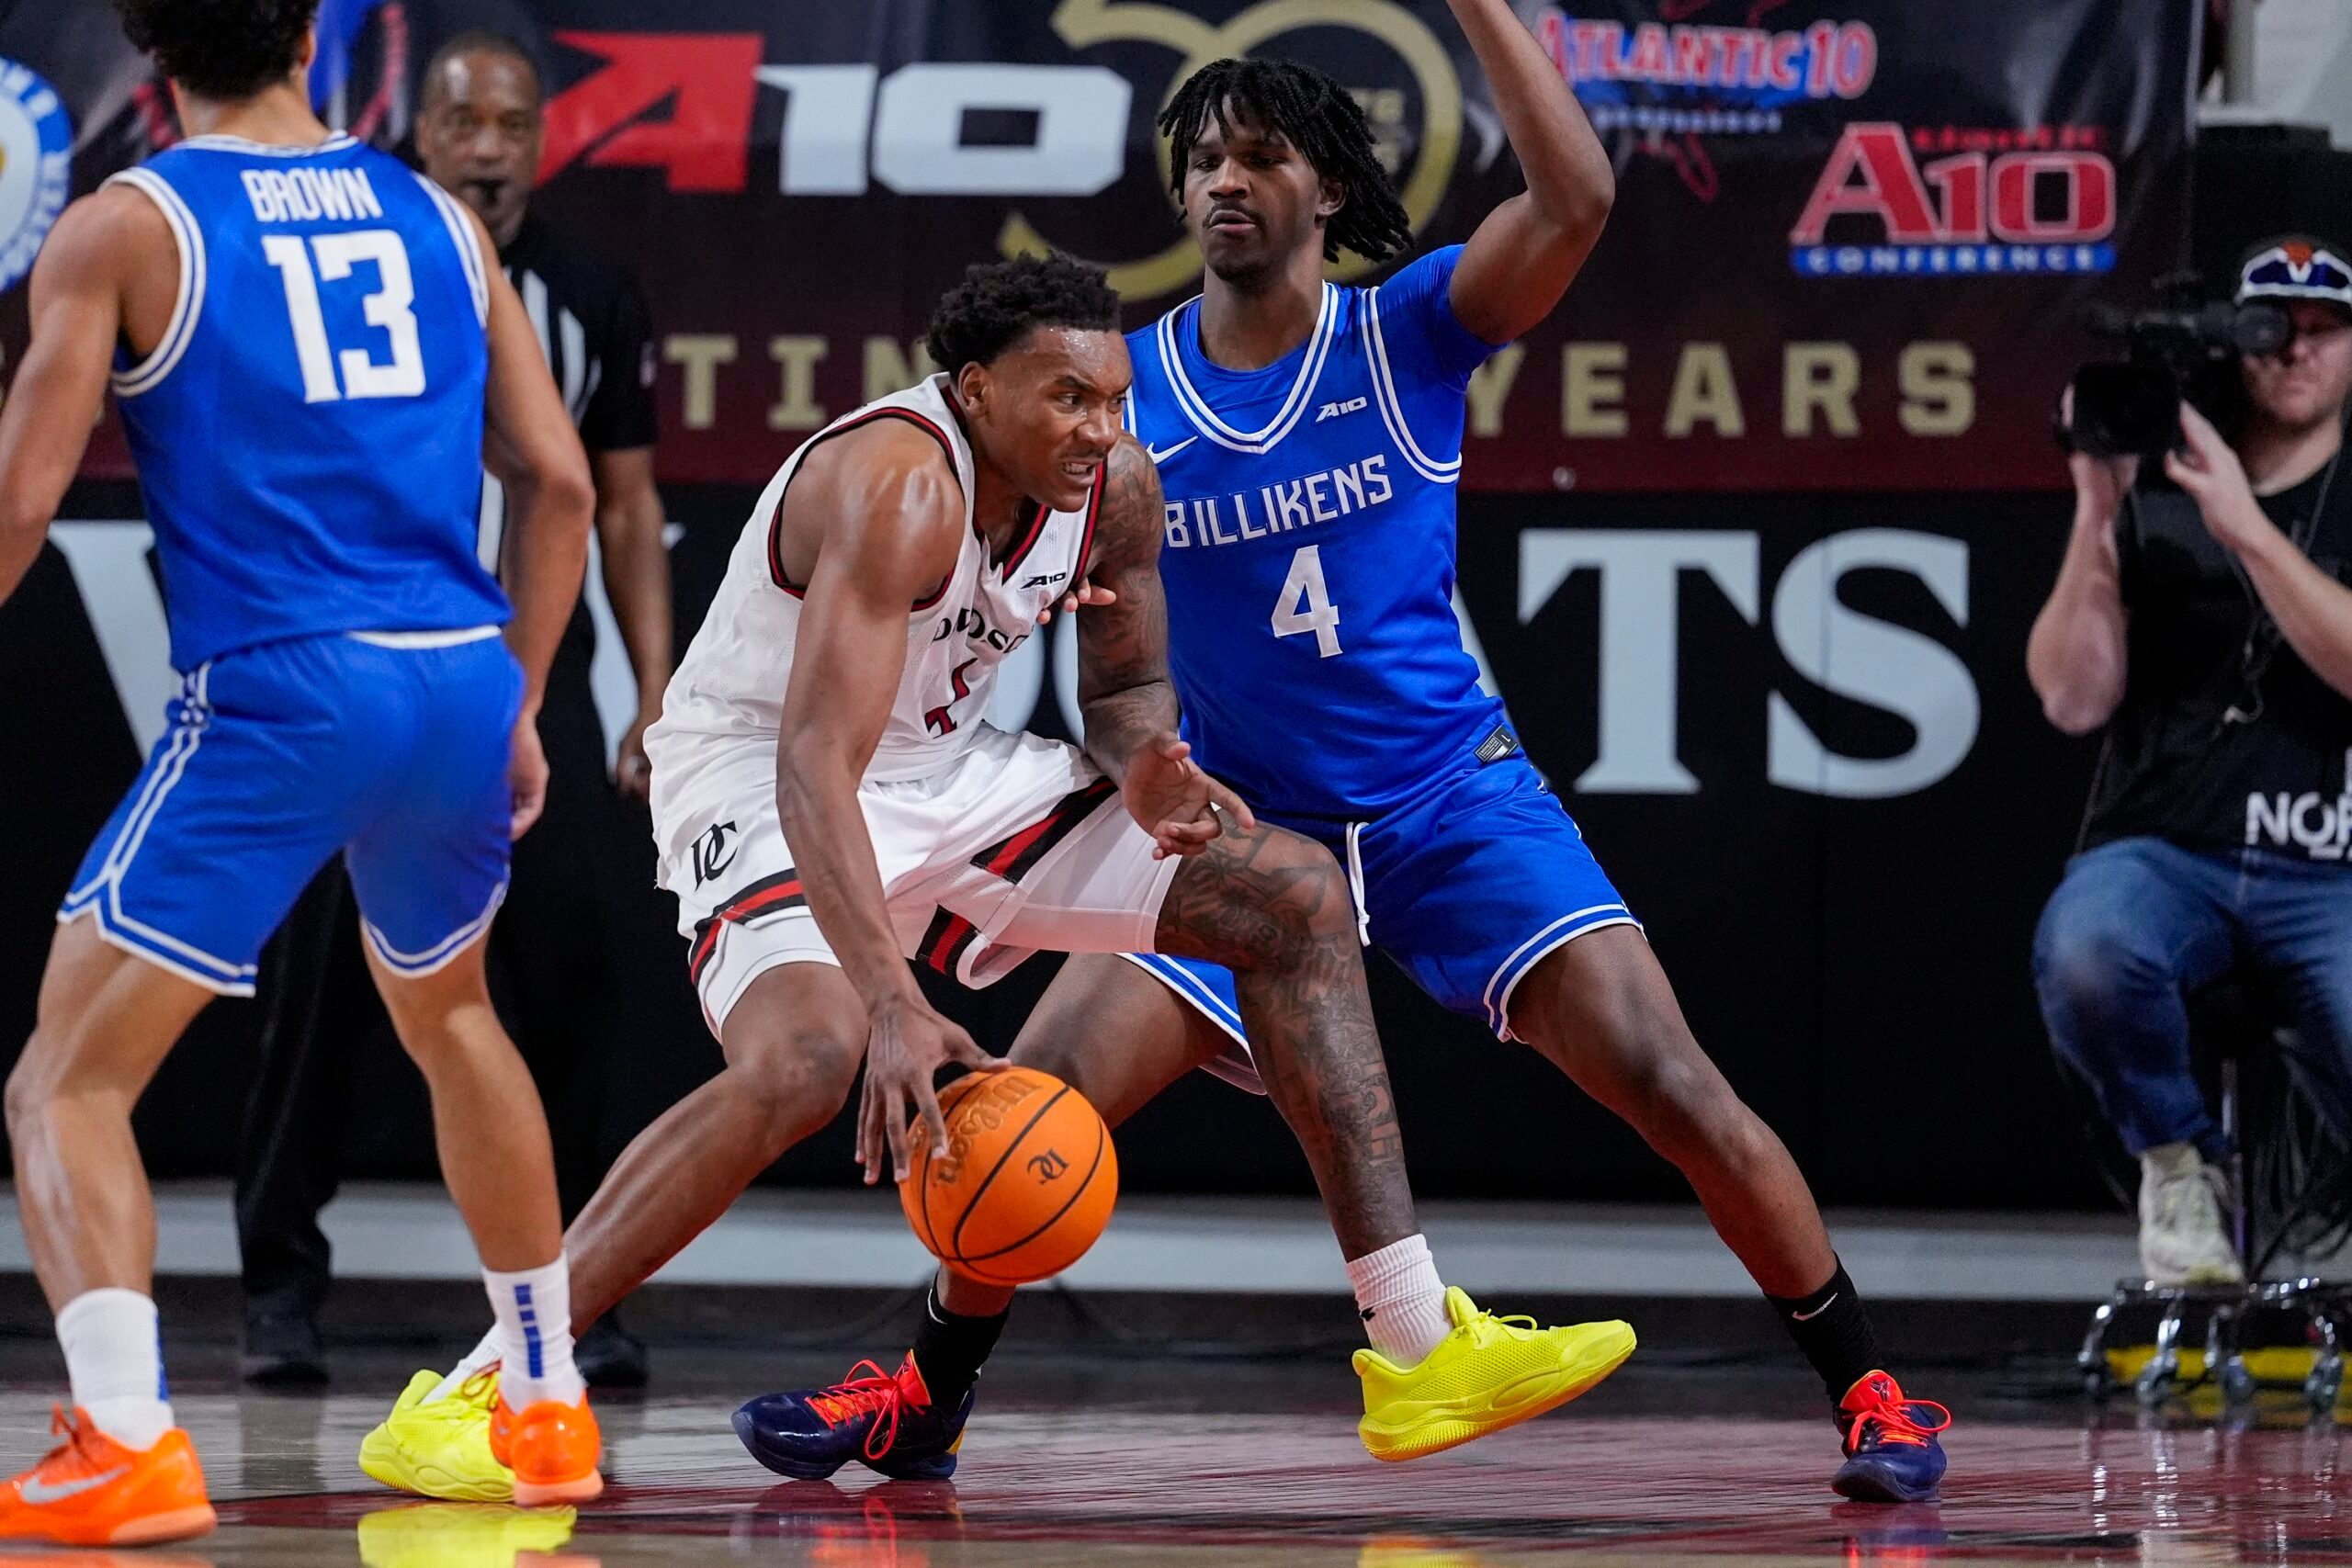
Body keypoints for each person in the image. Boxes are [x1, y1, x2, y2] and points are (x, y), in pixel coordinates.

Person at [762, 11, 1952, 1506]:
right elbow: (1099, 661)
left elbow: (1577, 196)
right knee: (1031, 1104)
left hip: (1446, 797)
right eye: (1200, 158)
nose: (1222, 180)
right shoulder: (1118, 405)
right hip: (1247, 822)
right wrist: (1121, 756)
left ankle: (1871, 1386)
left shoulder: (1407, 331)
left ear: (1329, 188)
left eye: (1258, 154)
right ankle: (923, 1401)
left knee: (1674, 1079)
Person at [359, 254, 1634, 1502]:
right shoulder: (900, 484)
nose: (1099, 425)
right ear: (973, 390)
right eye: (1065, 397)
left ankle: (1413, 1342)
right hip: (761, 770)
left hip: (944, 763)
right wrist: (891, 998)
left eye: (1113, 396)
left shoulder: (1116, 484)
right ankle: (483, 1384)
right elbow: (817, 765)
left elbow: (1126, 688)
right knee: (806, 1059)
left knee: (1293, 895)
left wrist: (1146, 771)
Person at [0, 0, 604, 1540]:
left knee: (66, 1079)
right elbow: (557, 481)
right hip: (457, 682)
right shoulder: (437, 214)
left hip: (287, 685)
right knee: (452, 1015)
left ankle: (125, 1439)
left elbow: (18, 506)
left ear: (151, 61)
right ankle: (544, 1405)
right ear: (317, 47)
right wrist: (522, 697)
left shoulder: (127, 222)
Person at [233, 27, 679, 1389]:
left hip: (515, 683)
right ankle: (278, 1290)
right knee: (316, 991)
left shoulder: (589, 287)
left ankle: (580, 1291)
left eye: (511, 124)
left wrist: (651, 691)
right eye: (461, 120)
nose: (487, 146)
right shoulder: (350, 257)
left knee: (571, 984)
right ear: (414, 128)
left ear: (542, 140)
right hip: (359, 676)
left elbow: (613, 497)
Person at [2031, 235, 2352, 1287]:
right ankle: (2178, 1166)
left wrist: (2247, 530)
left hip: (2331, 863)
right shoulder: (2160, 483)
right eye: (2272, 331)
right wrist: (2095, 508)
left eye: (2323, 331)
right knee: (2086, 942)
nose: (2295, 353)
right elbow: (2071, 698)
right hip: (2170, 849)